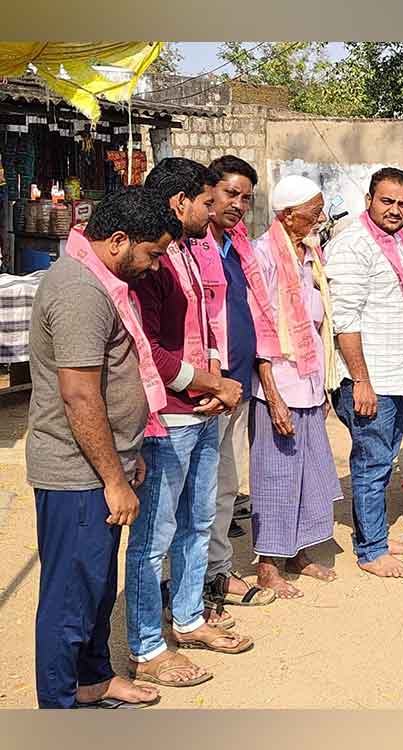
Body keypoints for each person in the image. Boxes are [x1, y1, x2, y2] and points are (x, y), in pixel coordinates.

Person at [27, 188, 178, 708]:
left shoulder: (97, 281)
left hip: (99, 466)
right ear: (118, 241)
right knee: (70, 599)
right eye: (152, 253)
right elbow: (79, 394)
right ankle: (57, 710)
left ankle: (92, 678)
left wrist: (125, 457)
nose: (156, 266)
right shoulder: (80, 292)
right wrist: (113, 478)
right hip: (75, 474)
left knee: (93, 588)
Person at [127, 158, 253, 689]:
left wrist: (217, 382)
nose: (214, 210)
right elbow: (150, 353)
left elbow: (207, 327)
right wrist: (206, 385)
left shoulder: (187, 250)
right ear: (180, 202)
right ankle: (146, 646)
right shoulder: (151, 262)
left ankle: (189, 619)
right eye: (206, 201)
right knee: (154, 536)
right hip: (172, 418)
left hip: (202, 410)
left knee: (200, 522)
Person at [327, 168, 403, 579]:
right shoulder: (353, 245)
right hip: (372, 379)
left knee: (384, 460)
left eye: (402, 204)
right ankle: (372, 550)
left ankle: (374, 537)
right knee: (372, 462)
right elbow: (345, 321)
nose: (395, 210)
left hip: (398, 374)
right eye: (386, 201)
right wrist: (361, 380)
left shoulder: (394, 243)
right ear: (370, 200)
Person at [247, 175, 343, 596]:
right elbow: (260, 328)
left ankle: (298, 551)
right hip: (278, 387)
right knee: (275, 474)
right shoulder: (264, 253)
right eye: (313, 211)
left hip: (308, 382)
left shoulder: (310, 253)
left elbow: (317, 320)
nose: (320, 217)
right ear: (288, 216)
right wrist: (272, 395)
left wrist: (322, 387)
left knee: (308, 471)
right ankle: (269, 563)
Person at [199, 155, 279, 621]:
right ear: (208, 193)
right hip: (206, 387)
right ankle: (199, 580)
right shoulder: (193, 246)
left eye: (247, 198)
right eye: (231, 194)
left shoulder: (238, 246)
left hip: (237, 381)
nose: (238, 205)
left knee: (226, 486)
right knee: (200, 490)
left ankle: (219, 569)